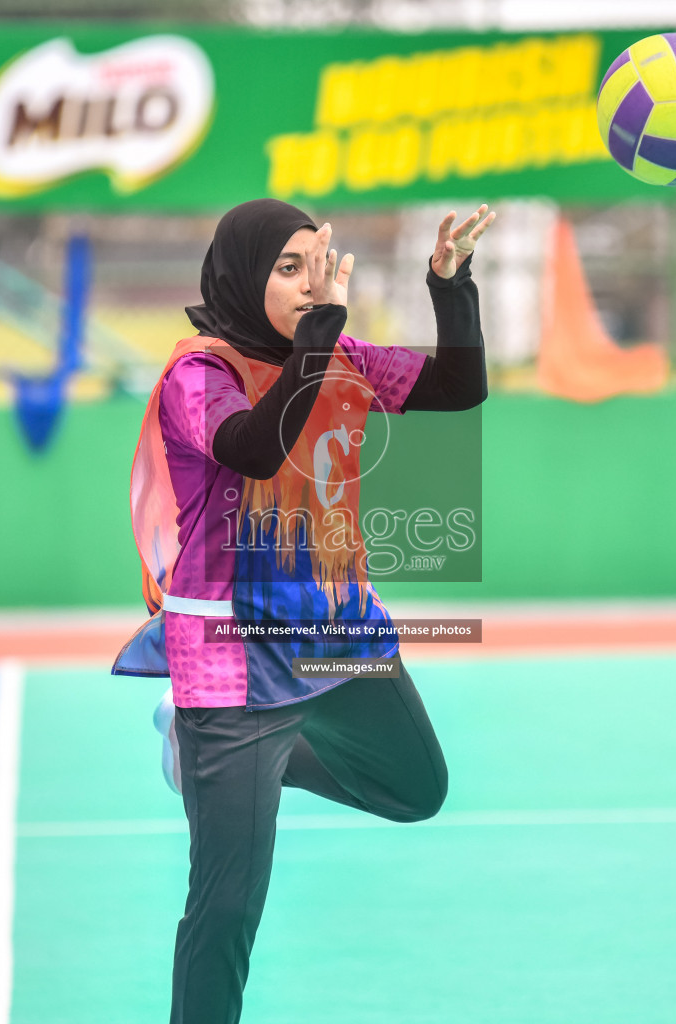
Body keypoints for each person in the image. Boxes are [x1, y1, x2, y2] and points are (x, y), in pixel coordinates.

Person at [113, 197, 494, 1023]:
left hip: (335, 629)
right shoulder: (198, 374)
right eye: (289, 269)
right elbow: (254, 446)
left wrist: (449, 285)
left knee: (415, 787)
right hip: (229, 656)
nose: (307, 283)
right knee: (227, 907)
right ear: (246, 279)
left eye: (317, 265)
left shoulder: (341, 355)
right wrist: (317, 346)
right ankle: (216, 747)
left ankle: (263, 761)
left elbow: (461, 389)